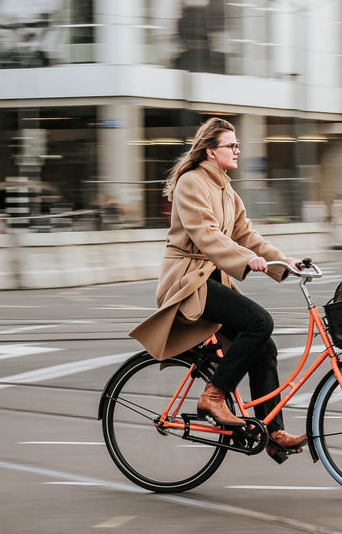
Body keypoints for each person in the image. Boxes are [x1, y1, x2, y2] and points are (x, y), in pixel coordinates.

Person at [129, 117, 307, 462]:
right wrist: (246, 259)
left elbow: (247, 236)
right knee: (259, 321)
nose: (237, 150)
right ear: (211, 152)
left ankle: (272, 432)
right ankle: (214, 396)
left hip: (211, 280)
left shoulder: (227, 189)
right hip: (188, 280)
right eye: (231, 145)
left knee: (264, 347)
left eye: (238, 144)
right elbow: (207, 236)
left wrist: (286, 263)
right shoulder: (191, 183)